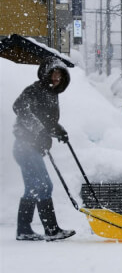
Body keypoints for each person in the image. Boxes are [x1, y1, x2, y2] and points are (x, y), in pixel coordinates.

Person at [12, 57, 76, 241]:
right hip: (25, 146)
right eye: (54, 73)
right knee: (44, 186)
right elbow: (19, 107)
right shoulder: (35, 89)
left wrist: (58, 131)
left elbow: (46, 120)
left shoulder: (51, 94)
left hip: (29, 147)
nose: (56, 78)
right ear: (46, 73)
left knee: (33, 187)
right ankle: (51, 230)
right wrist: (39, 131)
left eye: (60, 75)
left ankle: (24, 230)